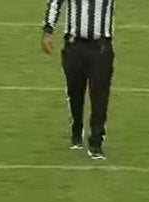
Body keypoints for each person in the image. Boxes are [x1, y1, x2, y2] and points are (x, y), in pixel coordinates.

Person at [41, 0, 118, 159]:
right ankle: (77, 128)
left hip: (100, 47)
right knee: (75, 92)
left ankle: (96, 141)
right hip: (74, 45)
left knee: (100, 94)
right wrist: (48, 30)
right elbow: (55, 2)